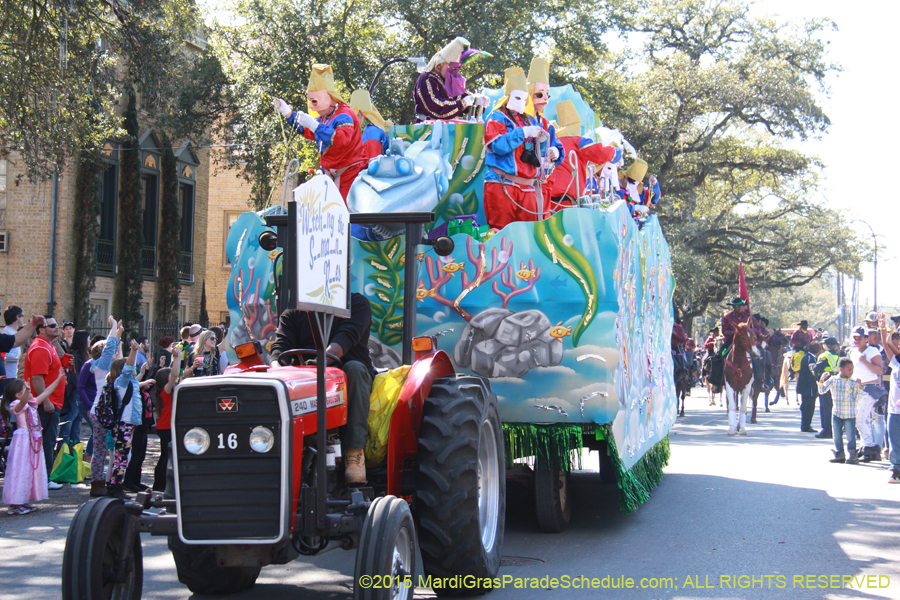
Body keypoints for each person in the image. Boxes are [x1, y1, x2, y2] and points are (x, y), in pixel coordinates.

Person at [270, 292, 374, 485]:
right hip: (307, 374)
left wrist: (319, 364)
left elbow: (343, 341)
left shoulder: (356, 304)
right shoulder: (293, 312)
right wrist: (276, 366)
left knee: (354, 369)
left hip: (347, 373)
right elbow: (281, 347)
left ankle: (354, 451)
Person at [273, 64, 367, 201]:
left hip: (350, 176)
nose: (311, 106)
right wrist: (287, 113)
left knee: (346, 213)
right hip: (331, 176)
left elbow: (341, 139)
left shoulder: (344, 115)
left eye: (314, 101)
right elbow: (308, 130)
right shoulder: (325, 117)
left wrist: (314, 125)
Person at [483, 66, 550, 229]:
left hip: (527, 187)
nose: (522, 102)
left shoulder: (530, 121)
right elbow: (497, 146)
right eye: (517, 98)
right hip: (502, 185)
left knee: (529, 235)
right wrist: (522, 132)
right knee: (501, 235)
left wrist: (541, 143)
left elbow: (537, 155)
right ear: (507, 97)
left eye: (524, 98)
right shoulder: (496, 118)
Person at [1, 369, 65, 515]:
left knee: (29, 470)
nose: (29, 391)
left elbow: (46, 392)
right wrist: (26, 392)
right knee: (20, 470)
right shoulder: (17, 405)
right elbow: (20, 404)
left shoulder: (31, 404)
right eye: (25, 390)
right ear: (18, 395)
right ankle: (15, 504)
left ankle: (23, 500)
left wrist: (59, 379)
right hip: (22, 442)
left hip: (32, 442)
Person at [542, 100, 615, 210]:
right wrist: (614, 150)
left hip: (546, 197)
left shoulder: (554, 141)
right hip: (565, 200)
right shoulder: (578, 141)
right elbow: (600, 153)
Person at [106, 340, 154, 499]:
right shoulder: (122, 381)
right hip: (123, 425)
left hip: (128, 425)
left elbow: (134, 376)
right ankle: (114, 488)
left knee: (124, 458)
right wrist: (133, 351)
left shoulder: (131, 383)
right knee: (121, 459)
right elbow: (127, 369)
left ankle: (116, 487)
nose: (132, 367)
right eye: (130, 366)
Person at [23, 315, 66, 489]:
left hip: (50, 403)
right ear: (41, 329)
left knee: (47, 441)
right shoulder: (41, 348)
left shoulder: (48, 346)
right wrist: (47, 402)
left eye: (57, 324)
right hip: (45, 405)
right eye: (52, 325)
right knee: (45, 442)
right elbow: (37, 378)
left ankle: (43, 478)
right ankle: (44, 479)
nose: (57, 327)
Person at [88, 317, 122, 497]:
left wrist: (117, 334)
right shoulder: (102, 365)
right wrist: (114, 327)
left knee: (103, 449)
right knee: (100, 450)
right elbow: (110, 350)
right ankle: (97, 484)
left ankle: (102, 482)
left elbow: (117, 355)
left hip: (102, 411)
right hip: (101, 412)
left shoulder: (102, 366)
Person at [413, 36, 479, 122]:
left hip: (452, 131)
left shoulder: (453, 82)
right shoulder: (427, 79)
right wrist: (463, 103)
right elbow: (435, 107)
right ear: (440, 64)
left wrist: (477, 102)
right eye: (451, 67)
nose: (454, 71)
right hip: (428, 130)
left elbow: (465, 101)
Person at [850, 326, 884, 462]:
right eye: (854, 337)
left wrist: (865, 362)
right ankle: (868, 447)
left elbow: (880, 371)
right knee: (866, 419)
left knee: (860, 419)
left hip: (870, 388)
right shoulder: (853, 351)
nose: (856, 340)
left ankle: (870, 447)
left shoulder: (872, 351)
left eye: (859, 337)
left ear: (866, 338)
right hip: (858, 388)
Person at [818, 357, 862, 464]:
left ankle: (852, 455)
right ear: (841, 369)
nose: (851, 372)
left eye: (852, 369)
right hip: (837, 412)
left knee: (851, 435)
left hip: (850, 414)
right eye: (849, 369)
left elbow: (857, 397)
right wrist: (821, 380)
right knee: (837, 435)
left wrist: (859, 387)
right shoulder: (834, 380)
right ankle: (840, 454)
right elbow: (822, 390)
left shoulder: (853, 382)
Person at [152, 351, 179, 492]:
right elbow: (174, 375)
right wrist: (177, 358)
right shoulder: (166, 390)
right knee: (165, 456)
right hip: (165, 426)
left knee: (164, 455)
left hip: (165, 426)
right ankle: (161, 485)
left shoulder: (167, 390)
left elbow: (174, 374)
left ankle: (159, 484)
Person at [877, 314, 900, 483]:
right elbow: (887, 344)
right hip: (895, 409)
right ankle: (896, 469)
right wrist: (882, 327)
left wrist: (890, 335)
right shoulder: (895, 362)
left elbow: (890, 343)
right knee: (895, 442)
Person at [812, 337, 841, 439]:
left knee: (825, 406)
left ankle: (826, 430)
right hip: (836, 380)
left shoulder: (825, 355)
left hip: (826, 379)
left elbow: (817, 368)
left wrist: (813, 368)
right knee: (834, 406)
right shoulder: (837, 355)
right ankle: (834, 429)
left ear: (826, 345)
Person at [349, 89, 389, 160]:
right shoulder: (364, 131)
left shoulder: (371, 133)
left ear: (362, 114)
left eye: (355, 115)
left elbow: (371, 165)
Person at [1, 306, 28, 396]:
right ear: (17, 317)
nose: (22, 319)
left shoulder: (16, 333)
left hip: (14, 375)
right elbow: (4, 354)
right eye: (22, 316)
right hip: (7, 376)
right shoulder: (6, 332)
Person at [797, 341, 821, 433]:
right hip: (809, 387)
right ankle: (806, 425)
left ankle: (805, 424)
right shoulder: (811, 359)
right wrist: (815, 387)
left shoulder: (806, 357)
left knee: (805, 406)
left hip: (804, 387)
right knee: (809, 407)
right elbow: (811, 374)